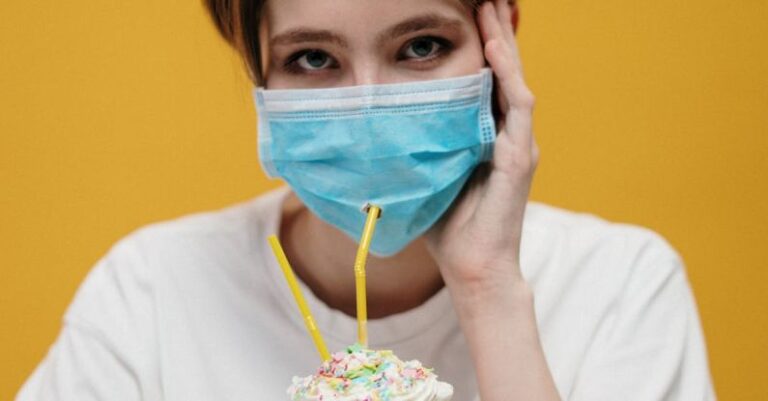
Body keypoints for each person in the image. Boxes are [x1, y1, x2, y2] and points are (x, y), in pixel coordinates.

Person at [17, 0, 717, 400]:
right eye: (313, 59)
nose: (370, 106)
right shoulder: (150, 294)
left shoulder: (623, 287)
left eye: (420, 46)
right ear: (258, 75)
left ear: (497, 42)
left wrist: (488, 290)